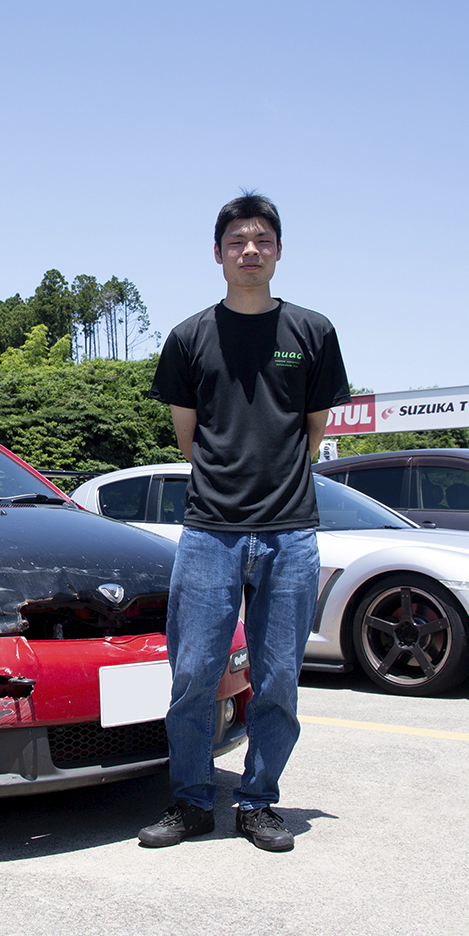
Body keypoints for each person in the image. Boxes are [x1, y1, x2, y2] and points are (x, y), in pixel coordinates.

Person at [139, 192, 349, 852]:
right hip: (209, 531)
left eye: (262, 240)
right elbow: (187, 437)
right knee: (195, 669)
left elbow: (313, 430)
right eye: (237, 242)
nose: (250, 250)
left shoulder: (311, 333)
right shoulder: (190, 337)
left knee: (279, 674)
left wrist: (275, 488)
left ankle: (258, 800)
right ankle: (192, 800)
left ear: (279, 251)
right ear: (218, 253)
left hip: (291, 532)